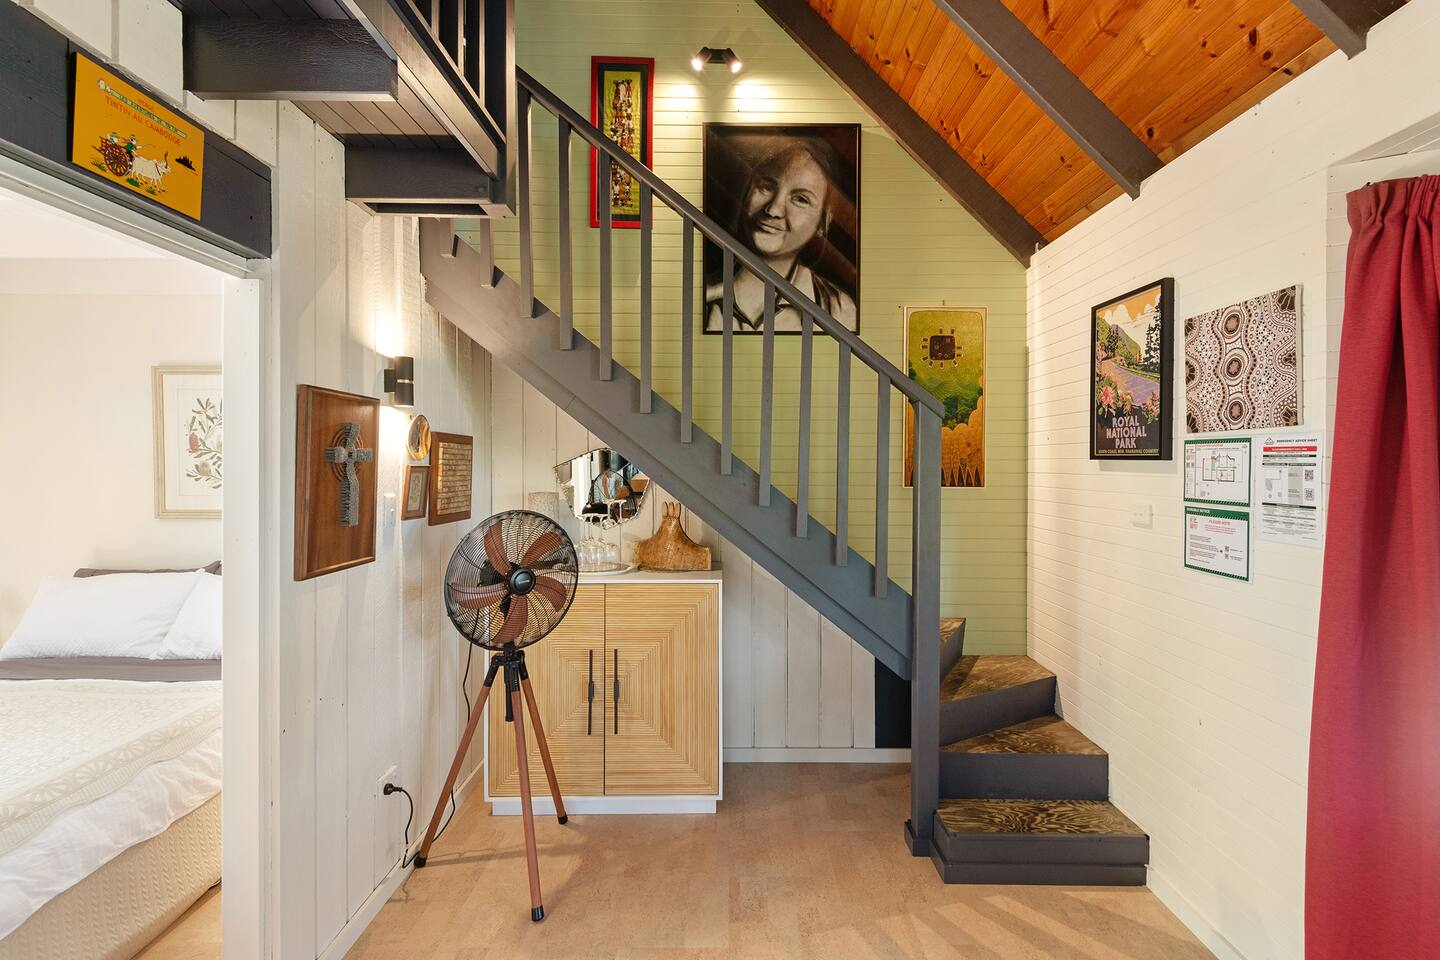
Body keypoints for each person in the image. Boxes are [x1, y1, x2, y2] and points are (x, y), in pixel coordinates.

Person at [704, 136, 857, 333]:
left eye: (800, 199)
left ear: (823, 222)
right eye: (767, 187)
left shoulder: (839, 310)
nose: (773, 209)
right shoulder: (703, 295)